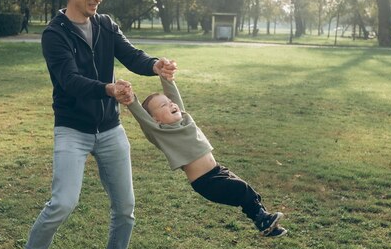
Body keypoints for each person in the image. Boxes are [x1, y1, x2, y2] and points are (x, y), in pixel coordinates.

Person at [13, 0, 177, 249]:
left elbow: (131, 55)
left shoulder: (105, 24)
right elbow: (69, 81)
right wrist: (108, 89)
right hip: (72, 129)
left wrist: (155, 64)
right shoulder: (54, 34)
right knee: (63, 202)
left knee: (125, 205)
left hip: (110, 127)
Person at [120, 73, 288, 238]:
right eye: (163, 106)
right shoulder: (160, 133)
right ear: (155, 120)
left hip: (219, 170)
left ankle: (264, 222)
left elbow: (174, 97)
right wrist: (131, 101)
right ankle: (263, 220)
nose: (171, 104)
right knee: (241, 189)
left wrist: (165, 77)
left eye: (170, 102)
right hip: (206, 182)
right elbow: (144, 119)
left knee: (248, 193)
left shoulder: (184, 120)